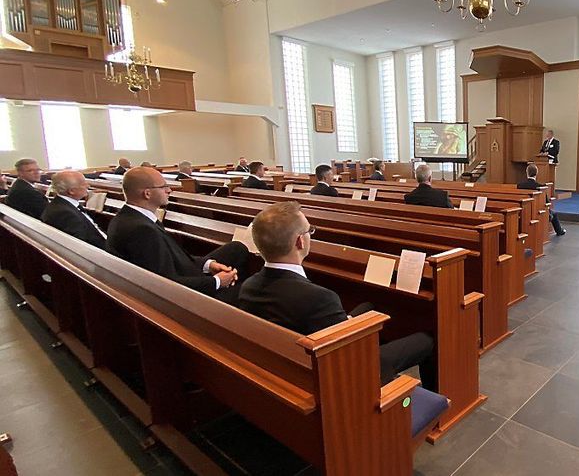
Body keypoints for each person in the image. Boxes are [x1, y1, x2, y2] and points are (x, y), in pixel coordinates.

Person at [239, 201, 438, 390]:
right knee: (427, 339)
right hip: (341, 373)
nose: (311, 235)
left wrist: (344, 320)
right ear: (300, 241)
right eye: (310, 231)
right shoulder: (318, 298)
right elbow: (344, 352)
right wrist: (348, 325)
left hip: (292, 361)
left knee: (369, 305)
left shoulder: (249, 286)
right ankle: (434, 408)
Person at [106, 167, 249, 301]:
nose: (169, 190)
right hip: (184, 295)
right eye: (163, 187)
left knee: (237, 248)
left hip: (183, 271)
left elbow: (174, 256)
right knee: (248, 290)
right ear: (147, 193)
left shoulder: (130, 217)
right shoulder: (141, 230)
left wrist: (209, 264)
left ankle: (232, 284)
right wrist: (217, 281)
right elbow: (166, 283)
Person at [41, 170, 106, 249]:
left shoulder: (61, 204)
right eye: (83, 183)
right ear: (72, 191)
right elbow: (85, 244)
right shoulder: (64, 213)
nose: (88, 185)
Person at [518, 164, 565, 236]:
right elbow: (546, 202)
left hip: (523, 211)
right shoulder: (540, 186)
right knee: (554, 214)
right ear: (536, 173)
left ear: (527, 172)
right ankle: (559, 231)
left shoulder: (520, 186)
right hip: (537, 211)